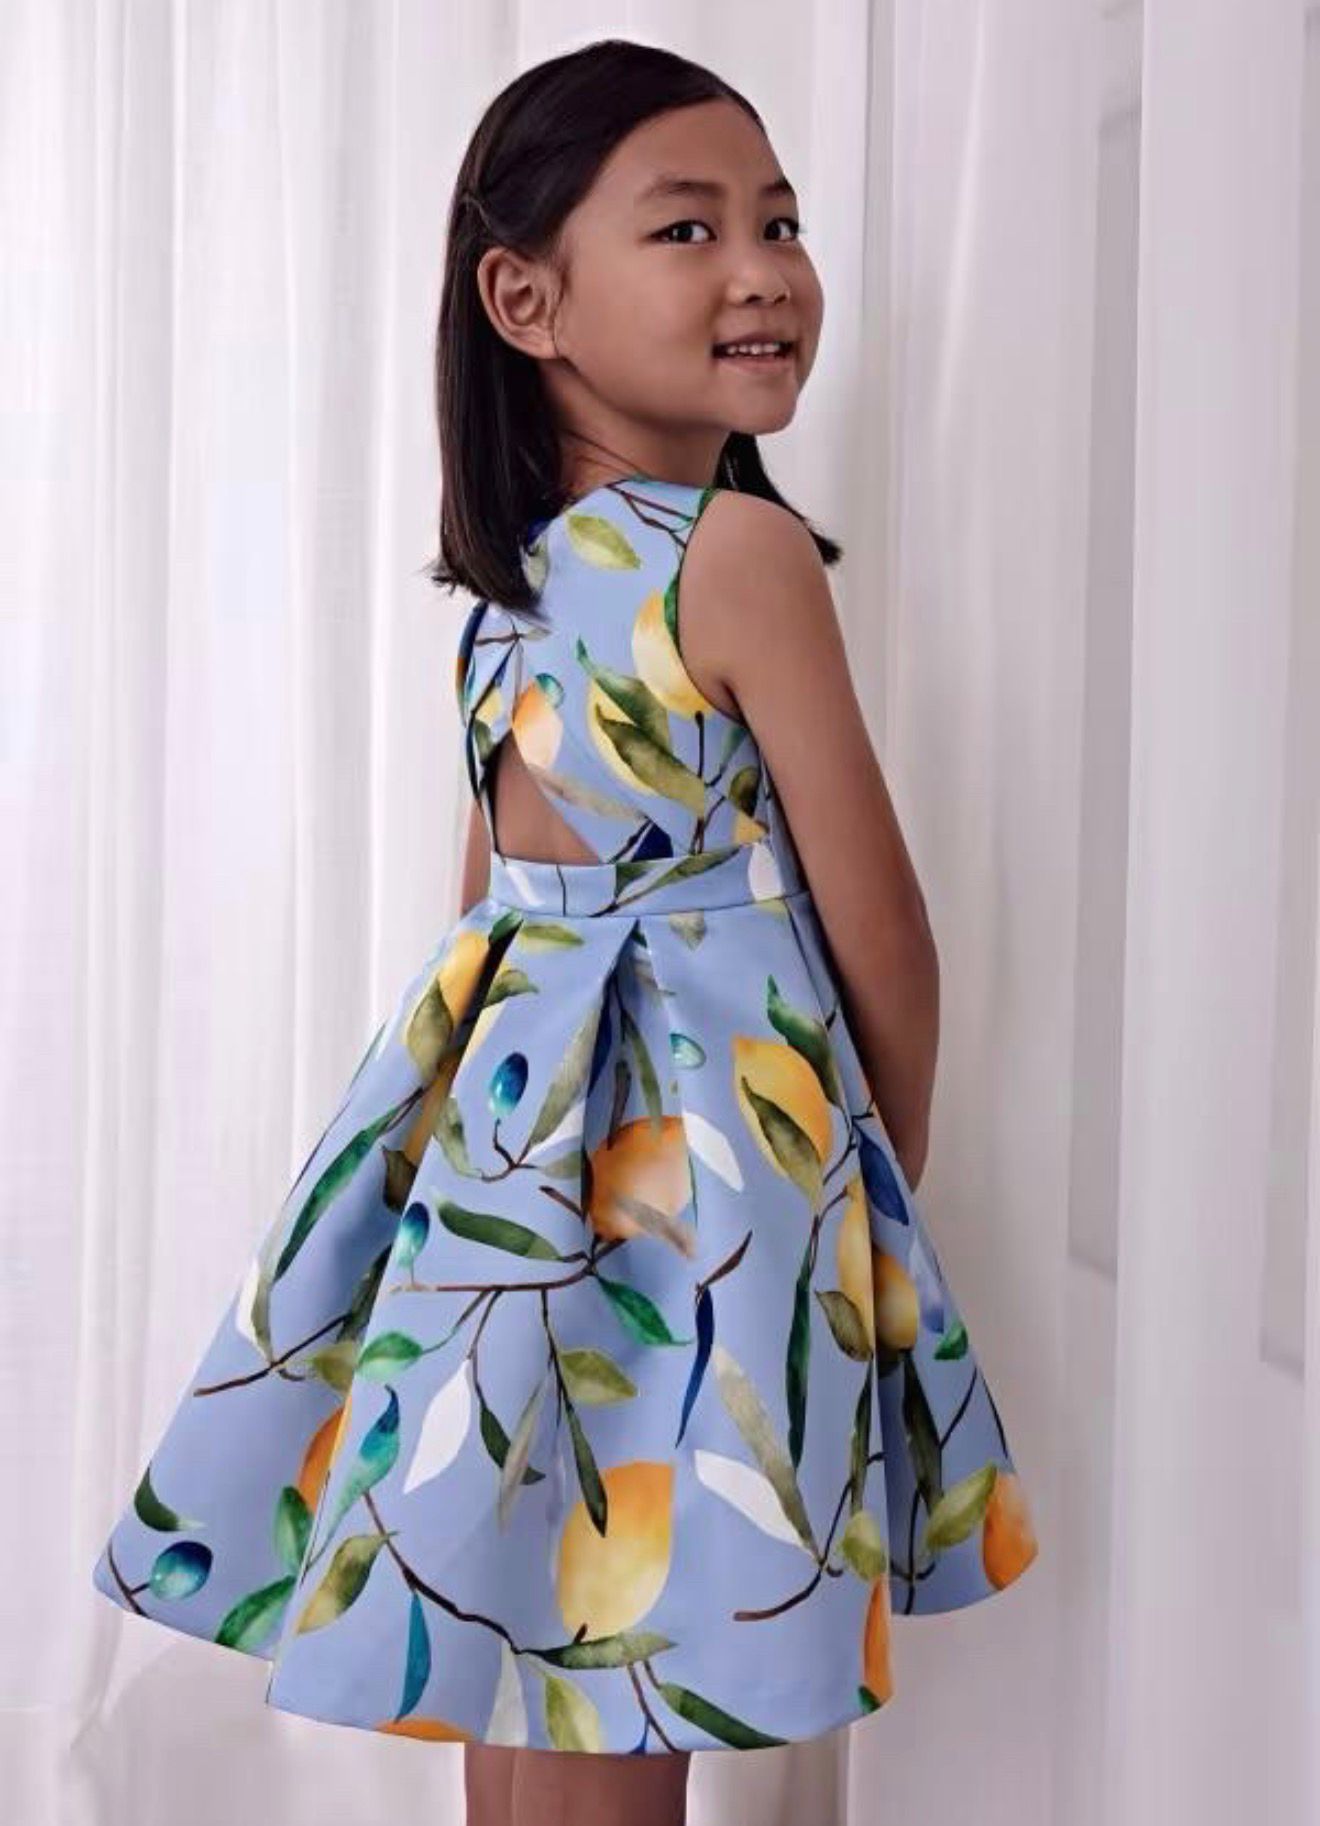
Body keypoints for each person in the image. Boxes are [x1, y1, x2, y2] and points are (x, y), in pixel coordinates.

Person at [91, 36, 1039, 1826]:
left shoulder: (507, 589)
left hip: (504, 1188)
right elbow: (883, 925)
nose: (762, 269)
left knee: (529, 1641)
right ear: (525, 300)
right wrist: (868, 1193)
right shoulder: (734, 557)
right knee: (628, 1663)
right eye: (689, 229)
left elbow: (493, 912)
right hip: (699, 1200)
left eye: (781, 222)